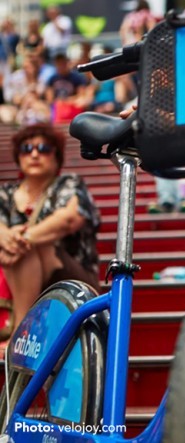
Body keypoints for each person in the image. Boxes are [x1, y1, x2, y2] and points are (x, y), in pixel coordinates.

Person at [0, 124, 101, 351]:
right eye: (27, 149)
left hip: (72, 282)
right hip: (14, 280)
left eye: (44, 148)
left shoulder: (69, 184)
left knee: (32, 246)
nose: (35, 154)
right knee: (20, 246)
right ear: (18, 156)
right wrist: (7, 238)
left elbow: (69, 219)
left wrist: (22, 239)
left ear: (57, 156)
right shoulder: (5, 193)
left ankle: (22, 334)